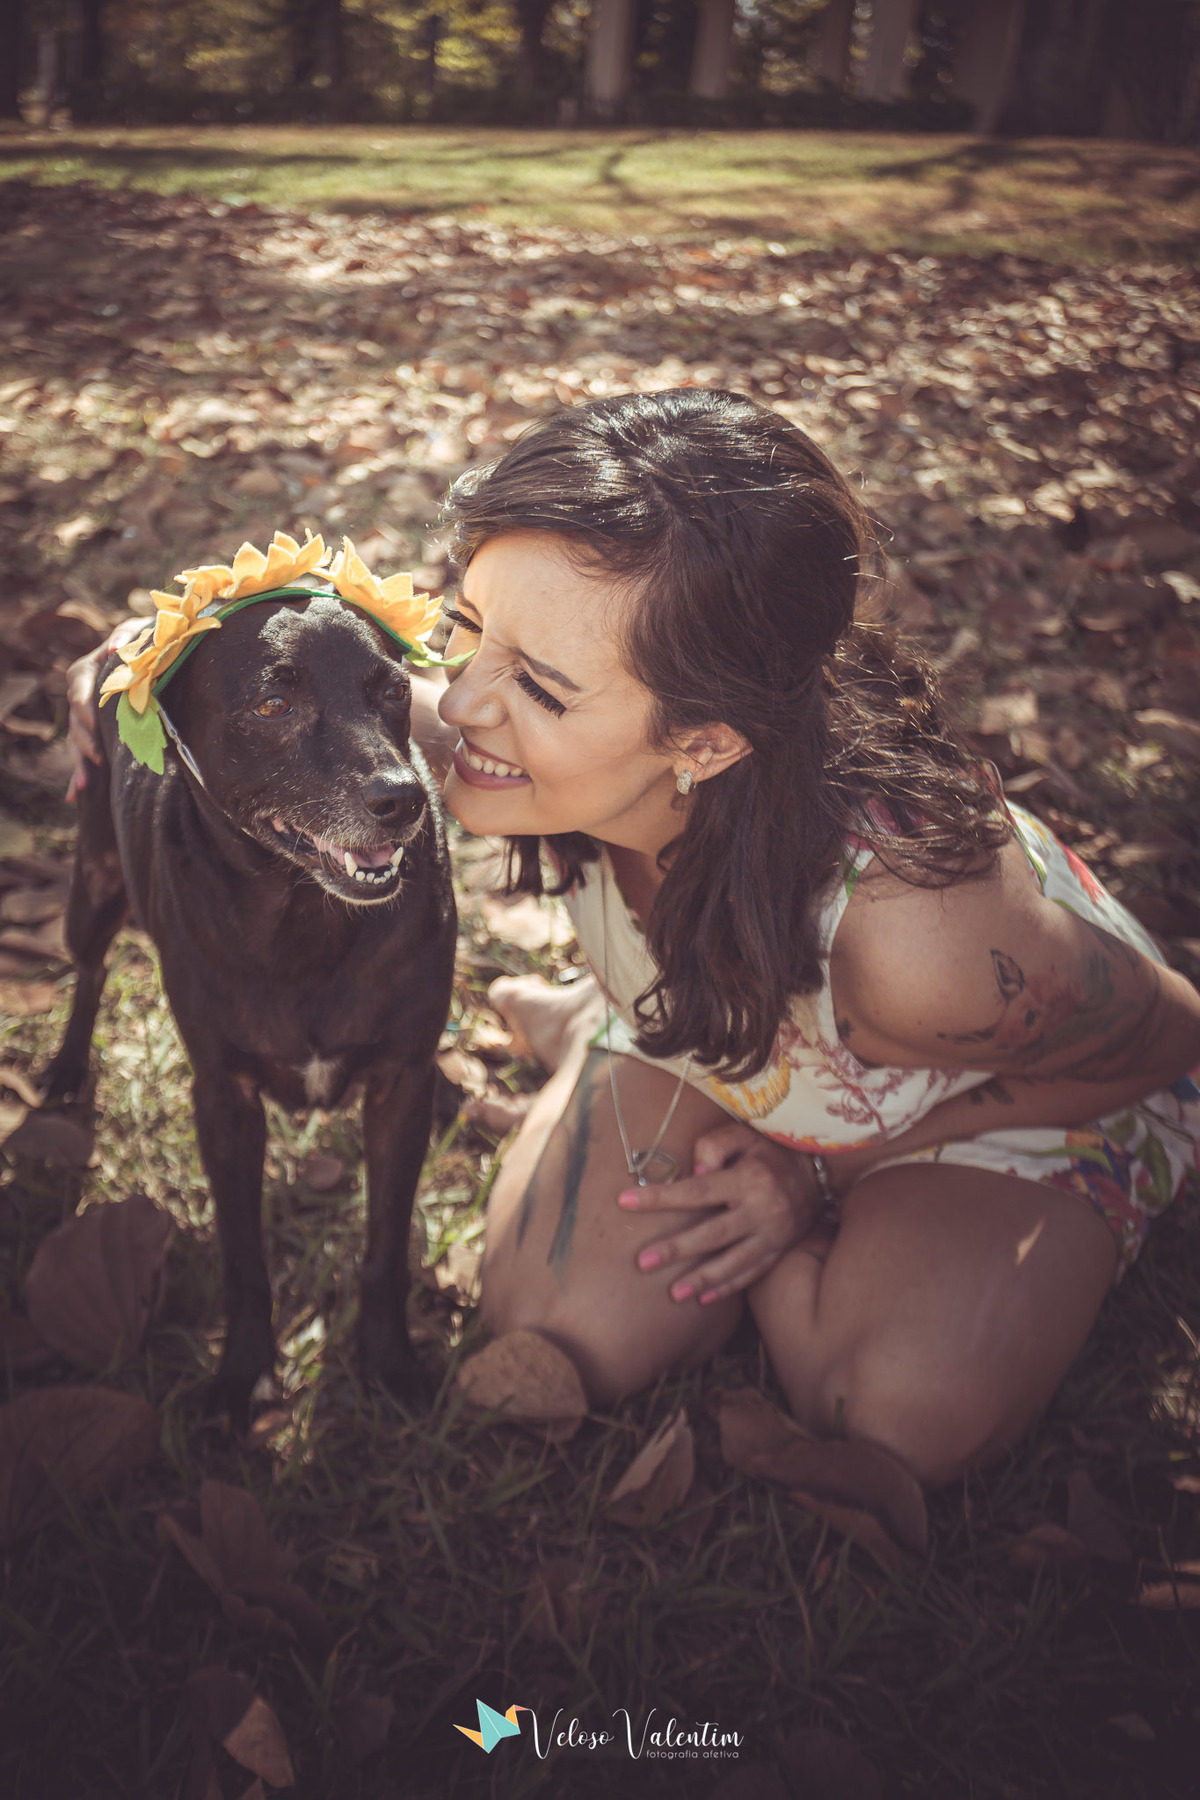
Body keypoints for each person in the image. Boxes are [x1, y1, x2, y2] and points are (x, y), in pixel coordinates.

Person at [68, 389, 1200, 1488]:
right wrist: (135, 662)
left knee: (886, 1413)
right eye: (467, 630)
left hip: (985, 1100)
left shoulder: (926, 945)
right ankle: (612, 1029)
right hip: (731, 1040)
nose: (453, 710)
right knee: (551, 1326)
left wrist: (813, 1180)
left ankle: (747, 1127)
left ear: (702, 743)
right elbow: (290, 670)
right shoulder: (496, 733)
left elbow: (1166, 1040)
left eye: (542, 689)